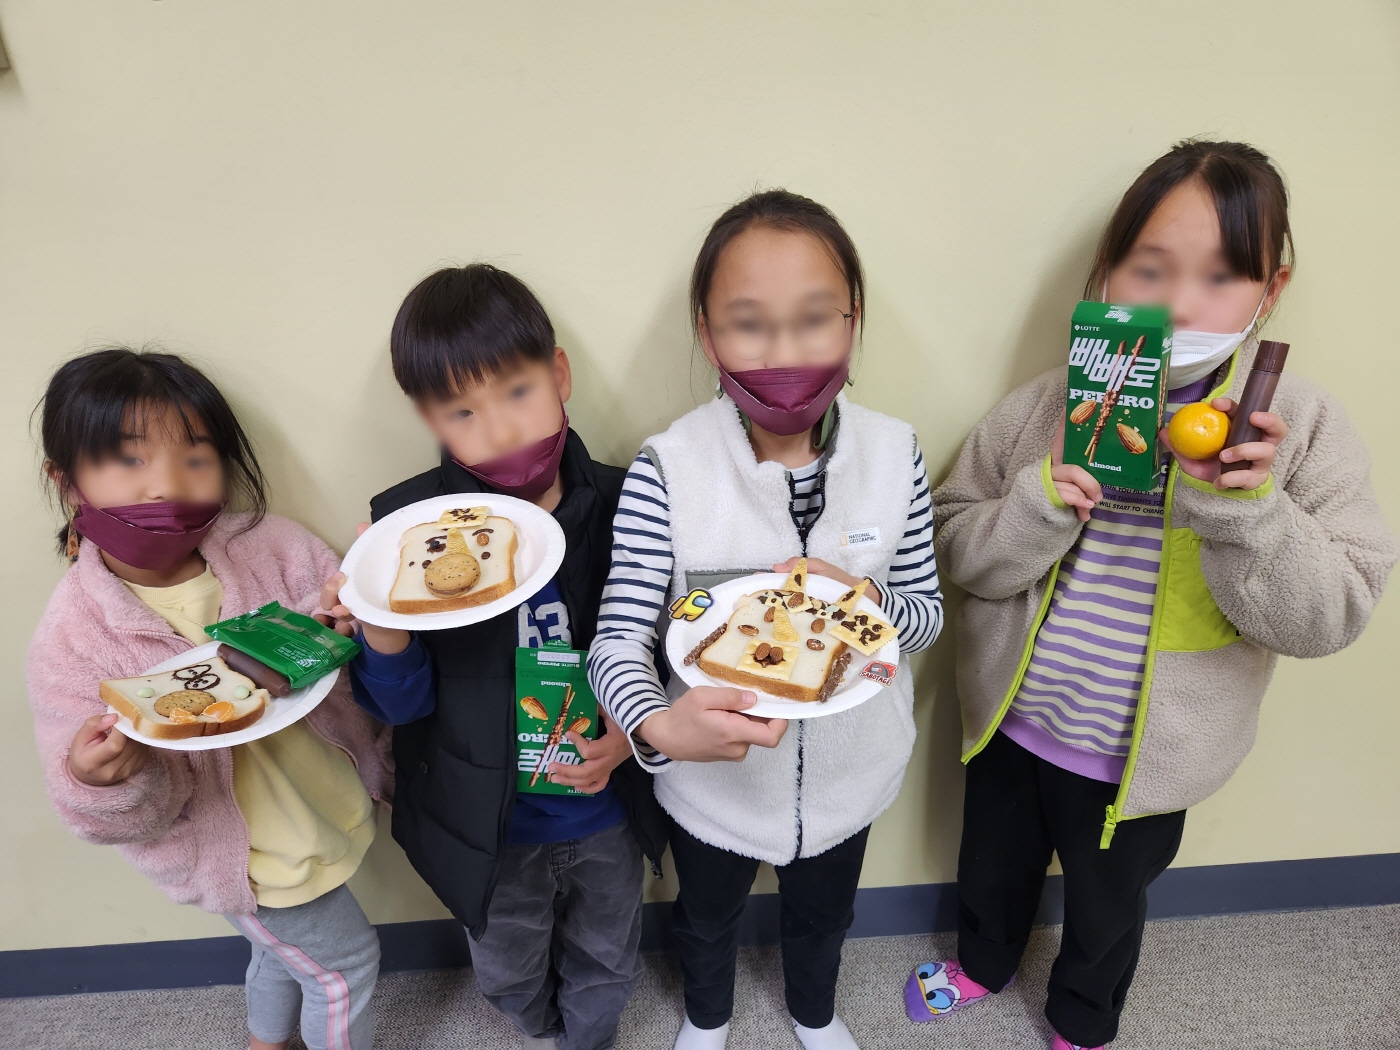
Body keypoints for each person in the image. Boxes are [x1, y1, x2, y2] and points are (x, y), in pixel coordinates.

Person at [907, 140, 1396, 1049]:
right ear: (1107, 271)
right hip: (1012, 723)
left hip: (1147, 760)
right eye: (1150, 268)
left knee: (1107, 910)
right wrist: (1038, 503)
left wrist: (1250, 511)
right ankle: (981, 961)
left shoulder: (1300, 430)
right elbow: (955, 547)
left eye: (1220, 275)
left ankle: (1084, 1018)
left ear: (1272, 289)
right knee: (992, 867)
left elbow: (1333, 615)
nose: (1178, 303)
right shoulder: (1044, 406)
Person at [588, 190, 944, 1050]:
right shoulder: (668, 467)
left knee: (824, 915)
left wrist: (865, 604)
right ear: (707, 334)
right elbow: (617, 638)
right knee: (705, 916)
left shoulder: (895, 453)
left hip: (853, 773)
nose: (783, 353)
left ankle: (814, 1013)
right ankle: (706, 1016)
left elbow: (927, 617)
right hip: (710, 783)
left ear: (853, 322)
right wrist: (655, 727)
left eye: (814, 319)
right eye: (749, 324)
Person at [320, 264, 668, 1050]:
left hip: (605, 805)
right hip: (489, 823)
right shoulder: (405, 530)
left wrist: (633, 736)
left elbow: (669, 645)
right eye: (463, 412)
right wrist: (380, 621)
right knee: (507, 969)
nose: (502, 430)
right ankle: (540, 1030)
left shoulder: (630, 504)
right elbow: (399, 706)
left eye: (517, 392)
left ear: (559, 376)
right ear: (430, 420)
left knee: (608, 958)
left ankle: (588, 1040)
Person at [27, 347, 391, 1050]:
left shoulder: (276, 548)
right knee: (344, 967)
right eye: (128, 459)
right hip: (238, 851)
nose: (167, 484)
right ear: (67, 481)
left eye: (195, 457)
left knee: (281, 956)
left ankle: (264, 1042)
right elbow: (86, 803)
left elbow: (345, 653)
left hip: (320, 805)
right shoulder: (74, 635)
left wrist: (342, 622)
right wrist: (96, 777)